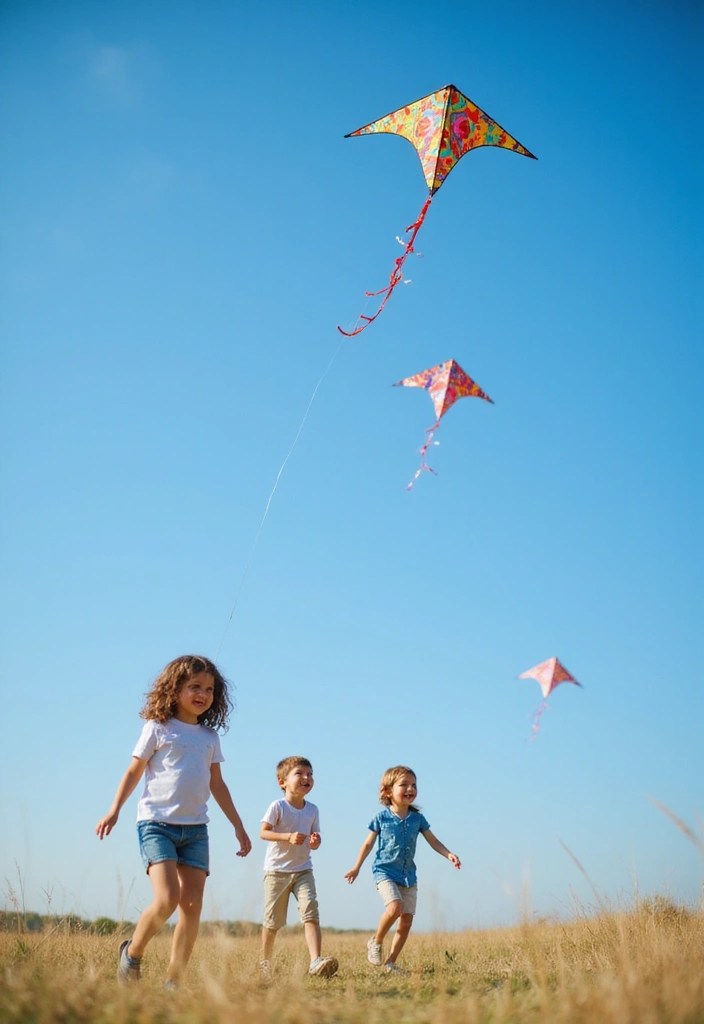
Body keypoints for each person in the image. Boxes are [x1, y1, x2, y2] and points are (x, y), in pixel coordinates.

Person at [96, 654, 251, 988]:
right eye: (194, 686)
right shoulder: (157, 728)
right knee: (166, 899)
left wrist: (238, 825)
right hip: (156, 824)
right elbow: (134, 770)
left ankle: (173, 981)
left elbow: (218, 784)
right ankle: (132, 954)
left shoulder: (210, 738)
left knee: (191, 907)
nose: (202, 694)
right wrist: (114, 809)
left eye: (209, 689)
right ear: (174, 688)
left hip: (196, 830)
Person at [344, 765, 460, 974]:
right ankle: (376, 941)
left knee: (406, 920)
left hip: (408, 876)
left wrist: (449, 854)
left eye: (413, 785)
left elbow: (433, 841)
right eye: (404, 785)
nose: (410, 789)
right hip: (384, 871)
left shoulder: (418, 819)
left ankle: (390, 962)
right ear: (388, 791)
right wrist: (356, 867)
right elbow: (367, 844)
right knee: (395, 907)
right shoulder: (381, 818)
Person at [259, 756, 338, 980]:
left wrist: (315, 841)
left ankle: (315, 961)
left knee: (310, 911)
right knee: (272, 921)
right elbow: (263, 832)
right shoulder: (278, 806)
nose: (307, 778)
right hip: (276, 871)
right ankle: (265, 963)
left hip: (304, 869)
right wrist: (288, 836)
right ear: (282, 782)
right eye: (300, 774)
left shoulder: (312, 809)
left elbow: (316, 838)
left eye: (310, 774)